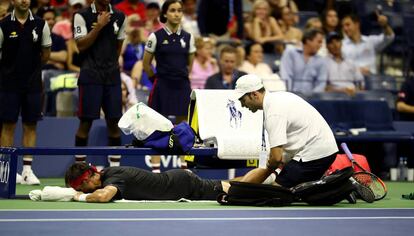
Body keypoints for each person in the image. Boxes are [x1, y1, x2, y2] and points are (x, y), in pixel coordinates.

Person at [233, 74, 338, 188]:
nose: (242, 105)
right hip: (321, 150)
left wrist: (255, 180)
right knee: (296, 191)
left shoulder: (273, 113)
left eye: (243, 100)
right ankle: (332, 185)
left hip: (314, 155)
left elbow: (276, 159)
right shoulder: (280, 97)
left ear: (254, 94)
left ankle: (338, 187)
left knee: (275, 193)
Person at [0, 0, 51, 184]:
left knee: (31, 125)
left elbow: (46, 54)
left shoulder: (40, 24)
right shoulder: (3, 25)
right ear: (13, 1)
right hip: (8, 84)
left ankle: (27, 171)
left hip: (32, 85)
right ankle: (5, 170)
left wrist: (31, 69)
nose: (24, 0)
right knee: (8, 126)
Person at [143, 0, 195, 173]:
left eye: (180, 10)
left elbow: (190, 65)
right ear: (165, 14)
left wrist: (179, 77)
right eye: (172, 10)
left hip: (181, 85)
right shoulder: (155, 36)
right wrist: (157, 80)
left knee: (184, 126)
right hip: (162, 84)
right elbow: (146, 64)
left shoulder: (188, 38)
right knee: (158, 125)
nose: (177, 14)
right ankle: (156, 170)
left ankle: (184, 168)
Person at [72, 0, 126, 167]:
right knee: (85, 123)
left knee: (114, 122)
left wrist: (109, 64)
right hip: (90, 76)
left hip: (112, 76)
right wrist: (99, 26)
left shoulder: (120, 16)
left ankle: (115, 169)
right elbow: (81, 45)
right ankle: (80, 168)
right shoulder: (81, 16)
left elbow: (118, 46)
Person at [65, 162, 229, 202]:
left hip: (181, 185)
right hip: (177, 181)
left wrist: (78, 196)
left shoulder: (113, 178)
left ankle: (252, 184)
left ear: (86, 179)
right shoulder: (108, 174)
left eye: (82, 187)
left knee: (228, 189)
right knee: (224, 186)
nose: (83, 191)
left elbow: (103, 197)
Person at [279, 28, 327, 95]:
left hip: (312, 99)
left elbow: (321, 83)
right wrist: (290, 95)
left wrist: (313, 97)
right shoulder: (290, 52)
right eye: (319, 42)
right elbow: (286, 76)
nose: (321, 45)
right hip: (290, 97)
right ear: (308, 40)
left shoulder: (321, 60)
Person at [325, 32, 364, 96]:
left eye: (337, 41)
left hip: (352, 95)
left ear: (341, 43)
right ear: (327, 46)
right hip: (332, 96)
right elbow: (323, 87)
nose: (335, 45)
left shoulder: (351, 62)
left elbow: (360, 83)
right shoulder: (324, 63)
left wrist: (356, 91)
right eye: (331, 43)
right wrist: (342, 91)